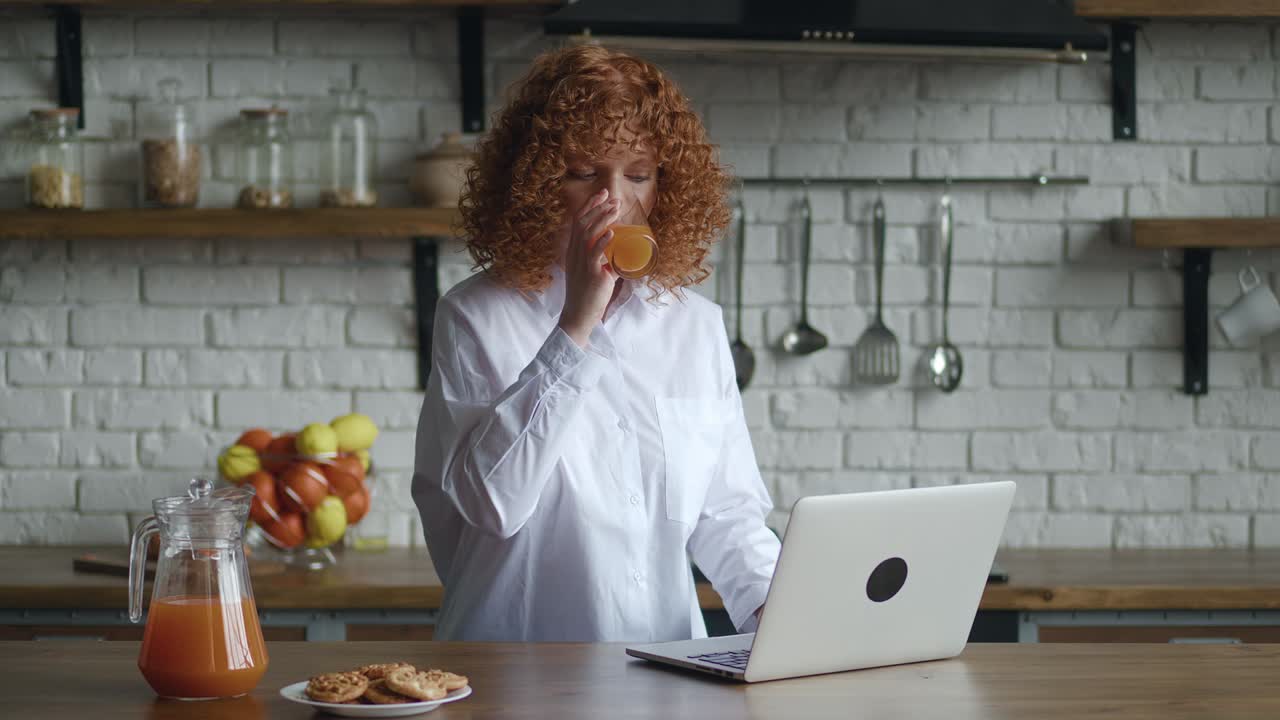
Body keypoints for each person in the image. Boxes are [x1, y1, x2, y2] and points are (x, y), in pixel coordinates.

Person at [412, 45, 780, 642]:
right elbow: (492, 506)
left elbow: (727, 513)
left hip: (666, 674)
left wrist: (778, 617)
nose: (614, 201)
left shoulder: (696, 326)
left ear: (666, 187)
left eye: (638, 175)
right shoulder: (474, 316)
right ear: (535, 183)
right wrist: (576, 326)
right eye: (585, 173)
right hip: (515, 675)